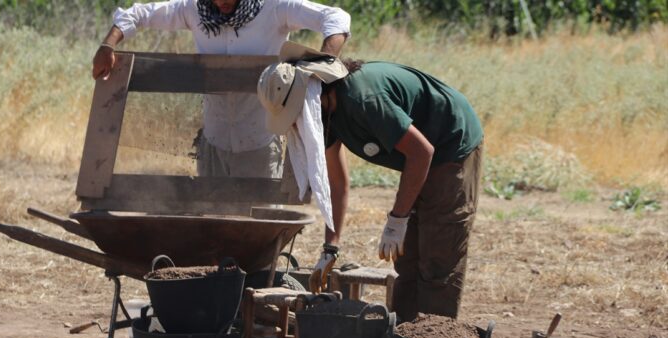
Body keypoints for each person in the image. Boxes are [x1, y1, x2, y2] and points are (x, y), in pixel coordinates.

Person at [257, 42, 484, 320]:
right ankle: (402, 333)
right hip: (420, 158)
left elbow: (422, 152)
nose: (294, 125)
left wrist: (398, 218)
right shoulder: (325, 115)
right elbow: (336, 185)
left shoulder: (363, 100)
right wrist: (331, 248)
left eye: (293, 116)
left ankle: (435, 335)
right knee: (408, 262)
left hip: (451, 145)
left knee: (438, 262)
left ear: (311, 97)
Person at [92, 0, 350, 178]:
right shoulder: (195, 9)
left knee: (258, 228)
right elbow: (138, 14)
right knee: (216, 226)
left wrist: (317, 69)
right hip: (213, 140)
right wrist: (108, 45)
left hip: (260, 140)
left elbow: (336, 18)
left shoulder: (274, 7)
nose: (221, 2)